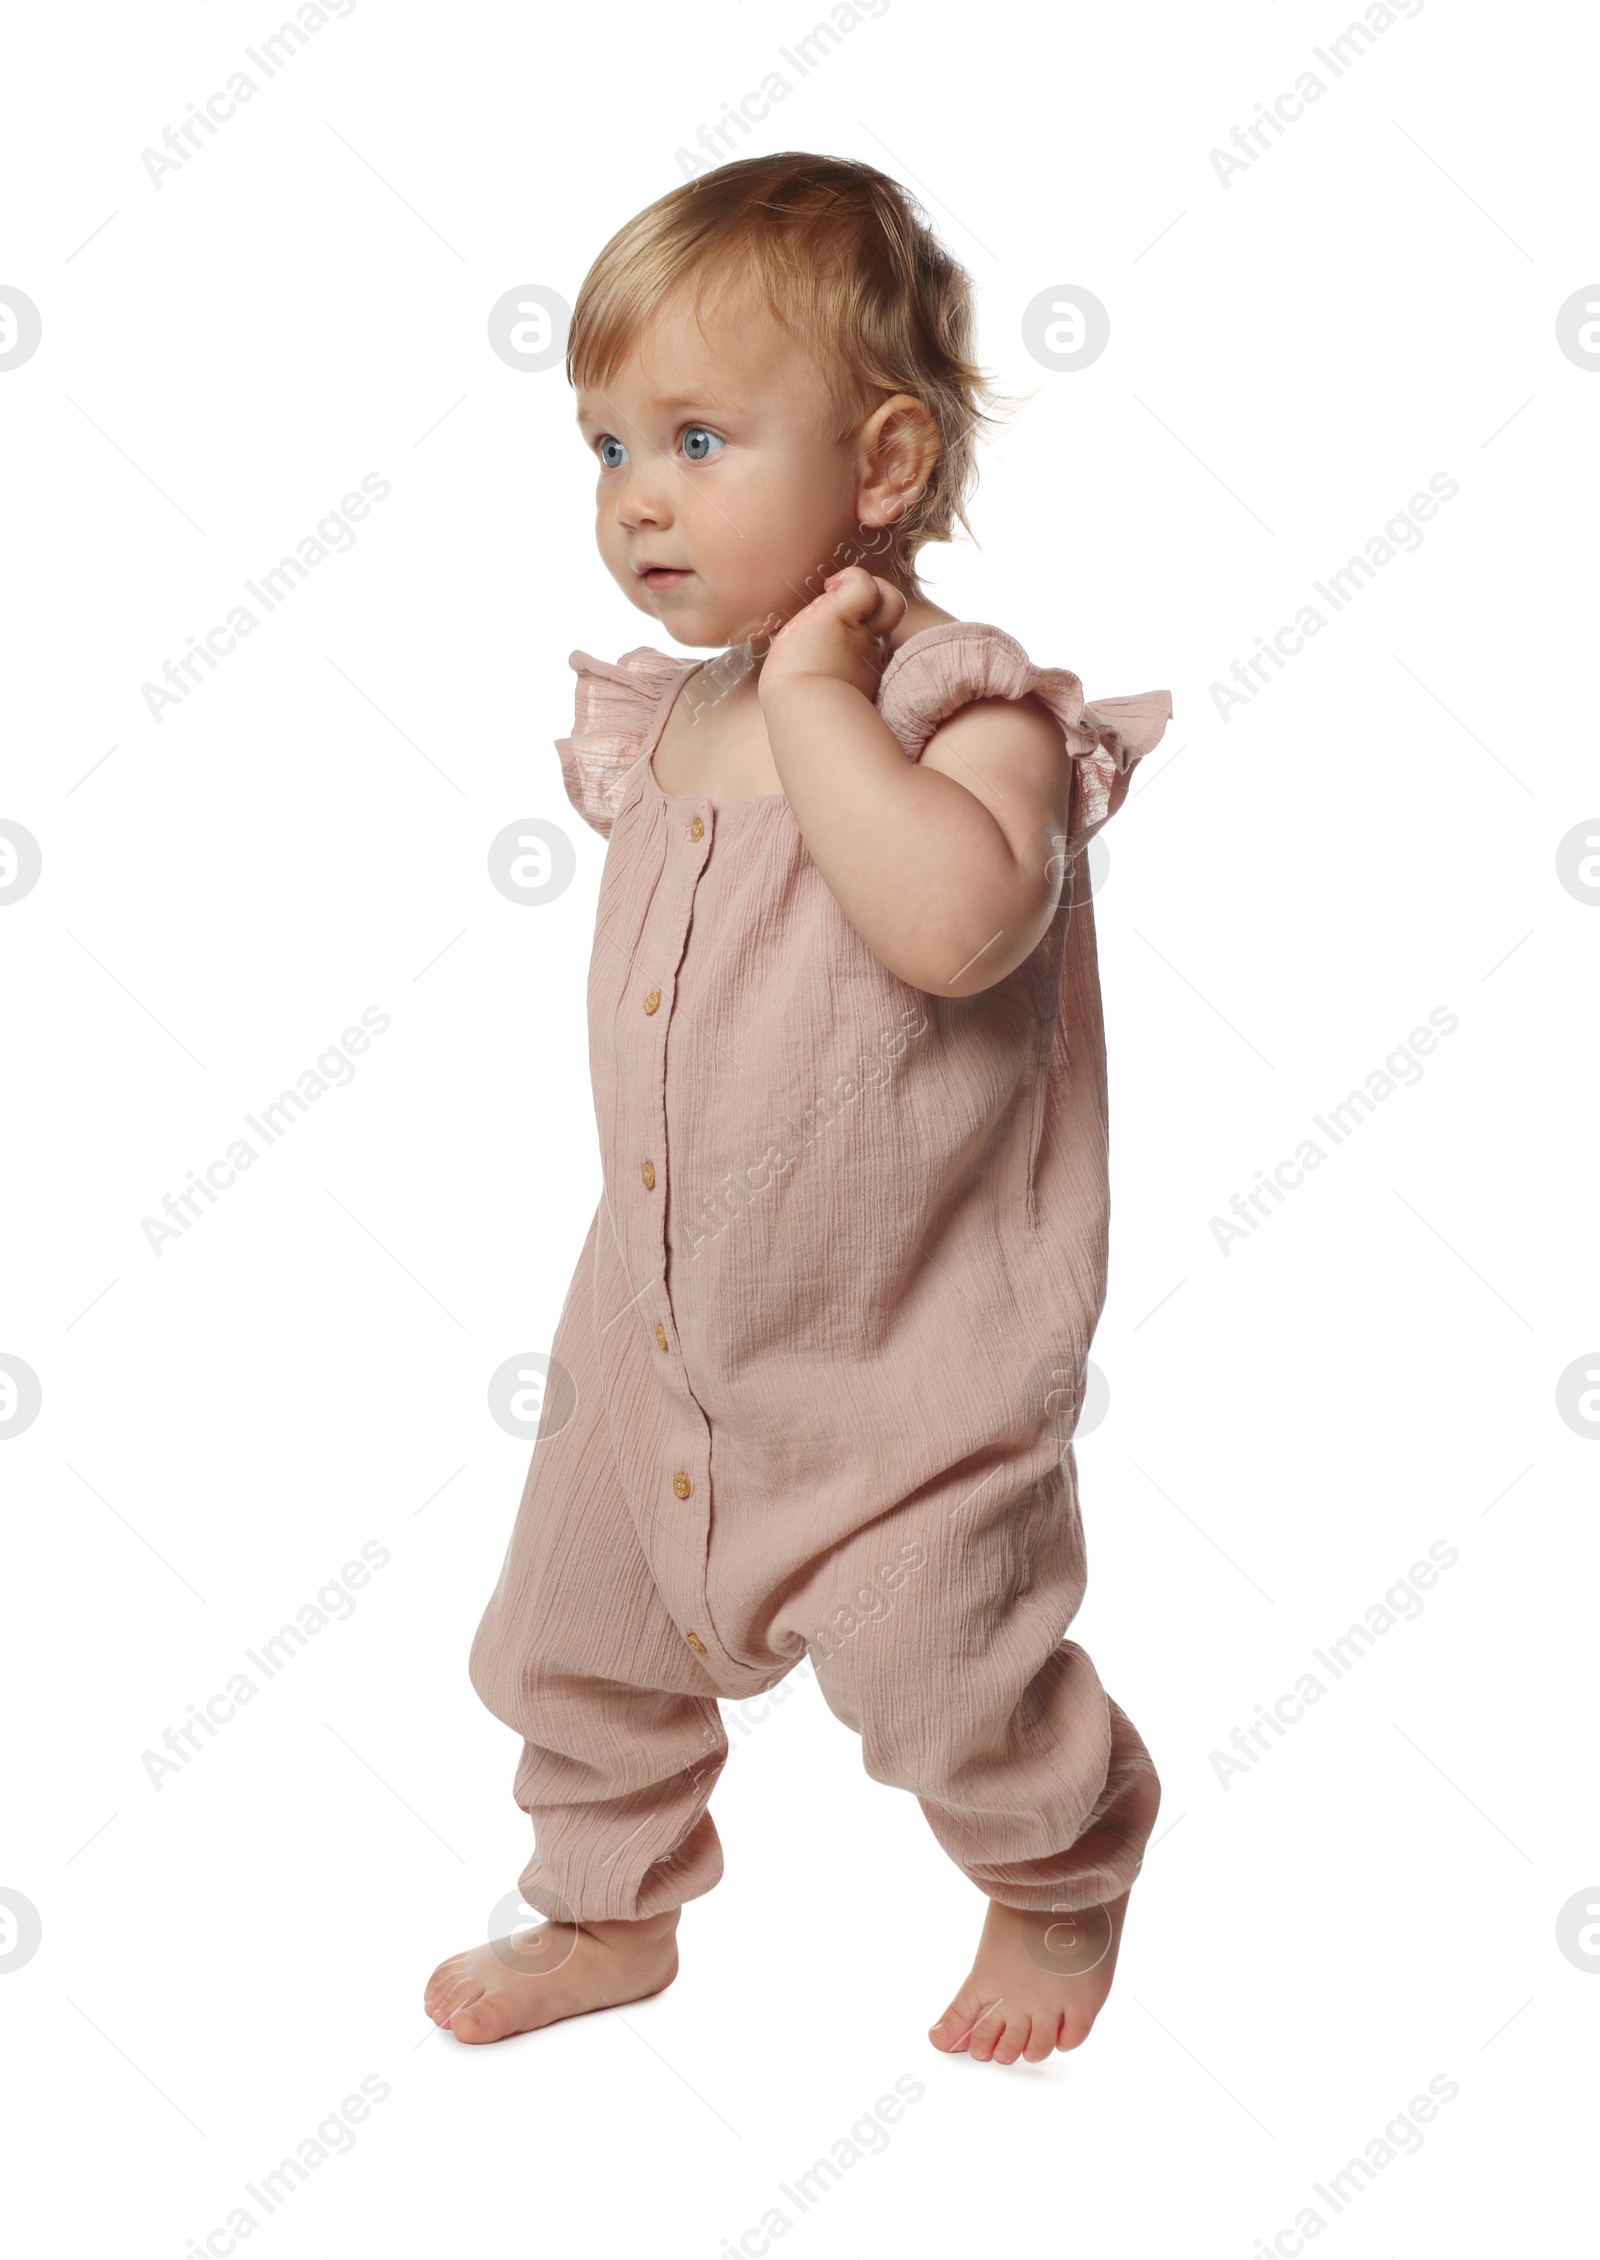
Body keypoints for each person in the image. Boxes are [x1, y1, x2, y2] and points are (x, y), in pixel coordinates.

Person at [425, 150, 1172, 2068]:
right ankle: (605, 1908)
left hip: (899, 1353)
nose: (637, 500)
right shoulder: (670, 716)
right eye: (603, 449)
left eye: (693, 435)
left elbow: (953, 925)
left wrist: (831, 701)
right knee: (572, 1634)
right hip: (661, 1318)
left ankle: (1061, 1867)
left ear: (888, 464)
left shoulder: (958, 709)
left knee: (949, 1675)